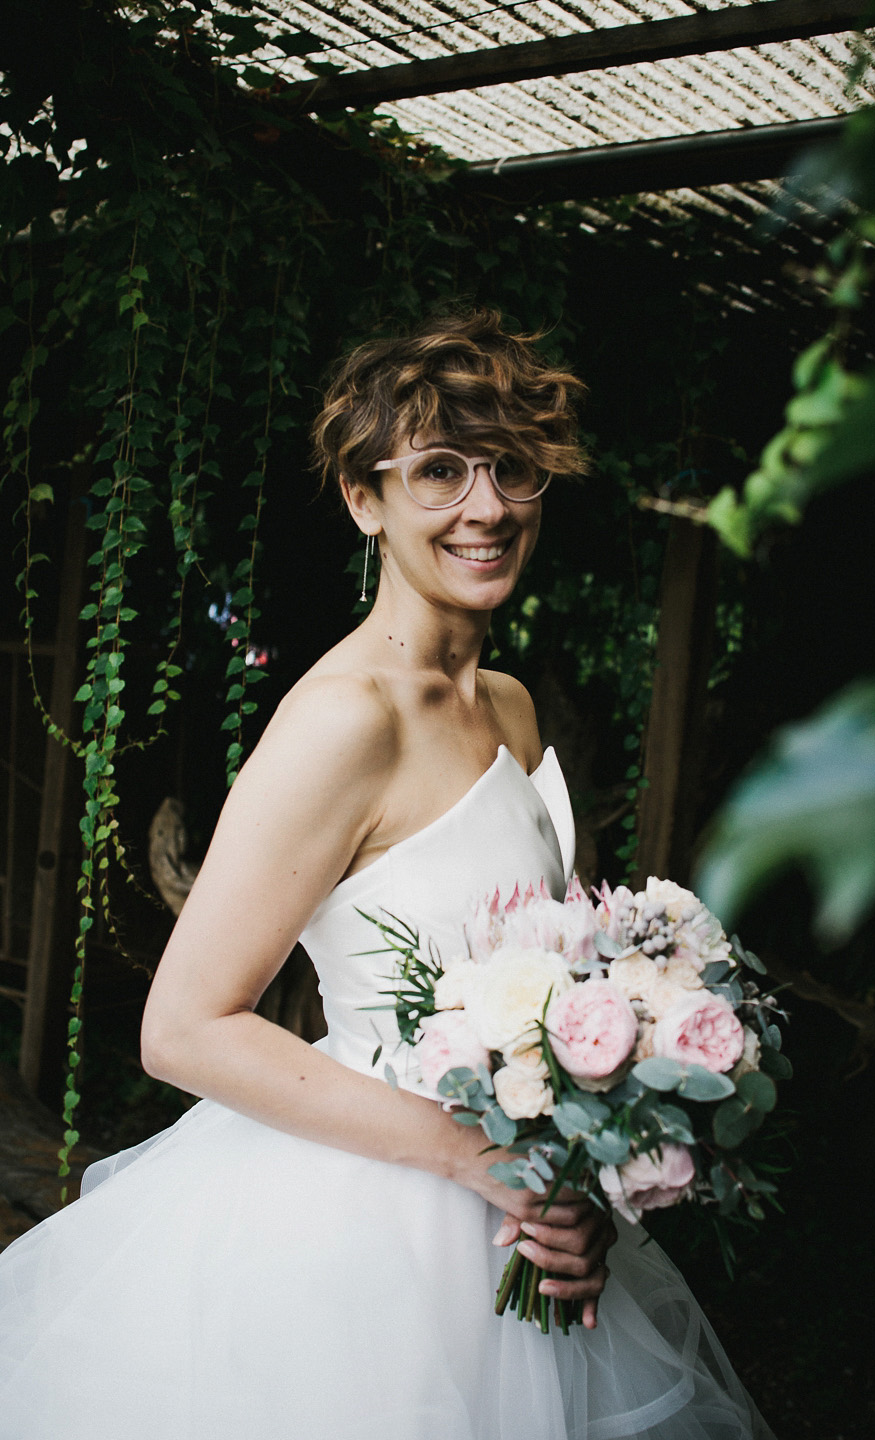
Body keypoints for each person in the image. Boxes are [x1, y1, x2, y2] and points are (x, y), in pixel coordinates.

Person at [0, 310, 773, 1439]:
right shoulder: (342, 723)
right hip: (364, 1234)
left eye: (513, 469)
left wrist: (576, 1179)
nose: (488, 507)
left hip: (515, 1219)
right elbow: (183, 1027)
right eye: (441, 472)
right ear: (366, 500)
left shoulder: (504, 703)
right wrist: (480, 1161)